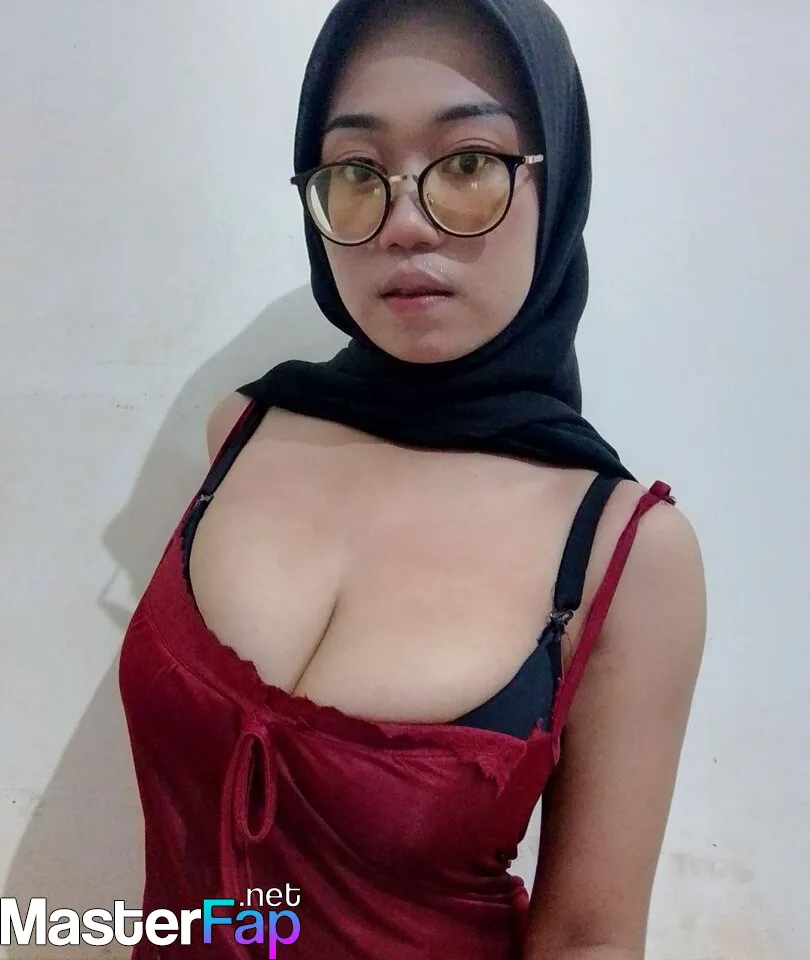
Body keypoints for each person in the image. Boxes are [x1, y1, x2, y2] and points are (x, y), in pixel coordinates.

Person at [118, 0, 706, 957]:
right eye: (357, 172)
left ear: (557, 182)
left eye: (467, 163)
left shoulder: (624, 554)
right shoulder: (243, 432)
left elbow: (588, 937)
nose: (402, 223)